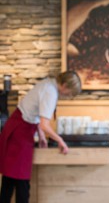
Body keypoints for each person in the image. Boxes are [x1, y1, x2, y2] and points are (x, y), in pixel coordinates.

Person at [0, 71, 82, 203]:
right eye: (70, 93)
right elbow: (44, 124)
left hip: (18, 128)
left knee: (9, 180)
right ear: (65, 85)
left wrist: (42, 135)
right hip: (20, 132)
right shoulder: (51, 92)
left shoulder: (48, 83)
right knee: (21, 182)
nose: (68, 96)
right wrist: (61, 141)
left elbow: (36, 114)